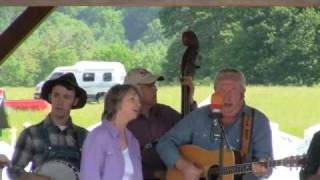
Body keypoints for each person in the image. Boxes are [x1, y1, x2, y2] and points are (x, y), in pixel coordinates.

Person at [157, 68, 273, 180]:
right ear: (214, 92)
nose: (227, 96)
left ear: (243, 92)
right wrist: (184, 166)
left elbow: (265, 163)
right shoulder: (198, 116)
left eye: (233, 90)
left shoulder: (258, 121)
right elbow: (165, 143)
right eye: (222, 90)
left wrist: (263, 170)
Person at [8, 73, 88, 180]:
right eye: (56, 95)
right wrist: (32, 178)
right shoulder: (31, 134)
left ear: (75, 101)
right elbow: (14, 170)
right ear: (50, 97)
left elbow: (95, 172)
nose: (60, 101)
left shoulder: (85, 136)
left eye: (66, 97)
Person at [124, 68, 196, 180]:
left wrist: (190, 100)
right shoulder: (122, 122)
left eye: (154, 85)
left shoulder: (165, 112)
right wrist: (156, 174)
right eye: (150, 86)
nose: (156, 89)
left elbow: (194, 130)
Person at [80, 84, 143, 180]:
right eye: (132, 99)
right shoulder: (98, 136)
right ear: (117, 104)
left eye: (139, 101)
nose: (138, 104)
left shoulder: (133, 141)